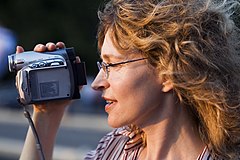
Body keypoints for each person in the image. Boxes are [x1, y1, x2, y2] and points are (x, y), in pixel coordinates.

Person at [18, 0, 240, 159]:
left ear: (167, 72)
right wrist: (47, 116)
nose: (96, 84)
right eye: (101, 65)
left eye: (111, 65)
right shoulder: (114, 147)